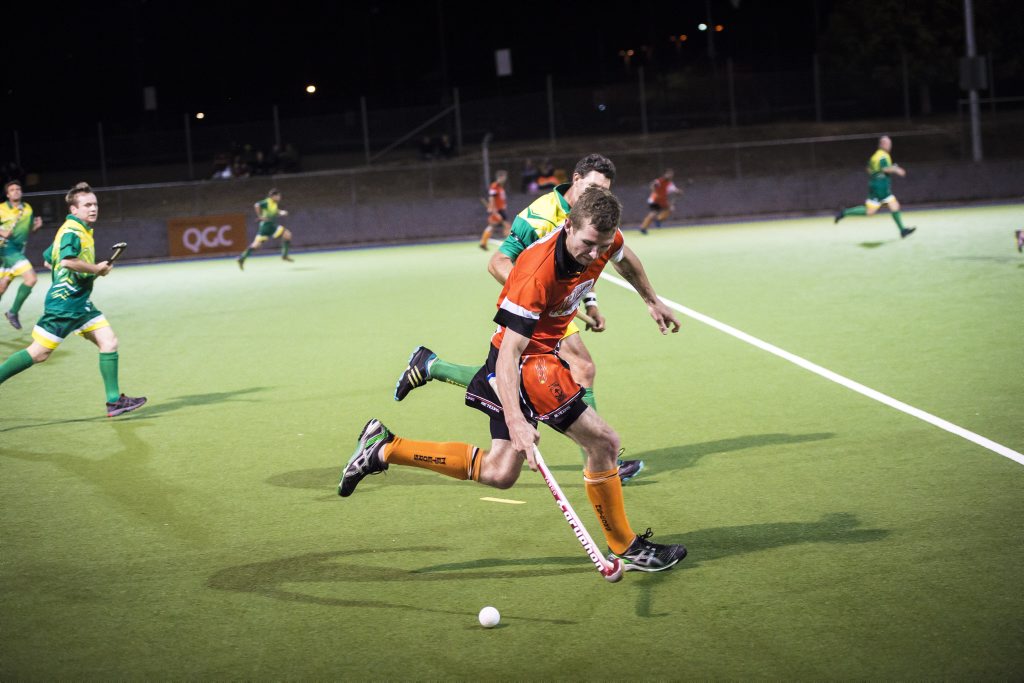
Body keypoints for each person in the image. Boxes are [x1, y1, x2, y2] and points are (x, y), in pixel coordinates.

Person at [340, 186, 687, 573]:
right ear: (568, 225)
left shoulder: (604, 237)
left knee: (499, 473)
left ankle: (385, 447)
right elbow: (509, 355)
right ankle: (626, 545)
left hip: (537, 354)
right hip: (527, 363)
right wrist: (518, 423)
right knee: (604, 442)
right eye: (588, 244)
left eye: (601, 245)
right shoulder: (536, 273)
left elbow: (626, 258)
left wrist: (651, 299)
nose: (594, 254)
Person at [394, 154, 646, 484]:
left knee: (502, 459)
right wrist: (539, 300)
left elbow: (588, 264)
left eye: (606, 190)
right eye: (594, 187)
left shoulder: (593, 216)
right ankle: (598, 454)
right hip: (533, 304)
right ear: (576, 178)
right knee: (576, 367)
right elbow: (498, 263)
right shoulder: (540, 215)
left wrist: (590, 304)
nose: (599, 196)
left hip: (553, 306)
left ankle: (432, 366)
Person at [0, 182, 146, 417]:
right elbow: (67, 261)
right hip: (65, 304)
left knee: (108, 341)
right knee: (39, 353)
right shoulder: (72, 231)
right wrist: (95, 269)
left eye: (95, 204)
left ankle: (113, 402)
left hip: (81, 302)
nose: (93, 208)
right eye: (87, 205)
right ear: (73, 210)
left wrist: (85, 270)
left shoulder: (79, 229)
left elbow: (50, 259)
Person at [834, 135, 916, 238]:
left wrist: (875, 175)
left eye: (890, 143)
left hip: (878, 185)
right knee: (870, 211)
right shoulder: (883, 155)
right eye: (888, 144)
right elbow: (885, 168)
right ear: (883, 144)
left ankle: (902, 230)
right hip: (880, 187)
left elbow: (868, 168)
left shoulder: (874, 156)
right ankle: (844, 212)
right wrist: (897, 169)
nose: (890, 146)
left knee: (894, 205)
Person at [0, 180, 44, 329]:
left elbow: (28, 229)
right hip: (6, 249)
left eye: (18, 189)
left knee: (2, 286)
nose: (16, 191)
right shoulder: (1, 209)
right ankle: (13, 312)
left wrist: (35, 227)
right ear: (7, 194)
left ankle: (12, 312)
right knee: (31, 278)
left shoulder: (28, 209)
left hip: (18, 251)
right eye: (12, 190)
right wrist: (2, 231)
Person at [236, 188, 293, 269]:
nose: (280, 197)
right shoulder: (267, 201)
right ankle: (284, 256)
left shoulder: (273, 203)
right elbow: (257, 205)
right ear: (273, 196)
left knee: (256, 245)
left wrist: (281, 212)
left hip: (266, 226)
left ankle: (242, 258)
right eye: (278, 196)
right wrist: (260, 216)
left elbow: (275, 211)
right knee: (287, 234)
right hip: (269, 225)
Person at [640, 169, 681, 235]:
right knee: (653, 214)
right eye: (668, 174)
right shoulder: (660, 180)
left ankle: (658, 219)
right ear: (665, 174)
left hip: (662, 201)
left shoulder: (670, 184)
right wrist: (654, 190)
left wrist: (679, 192)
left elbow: (675, 190)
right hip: (654, 200)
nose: (669, 176)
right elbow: (653, 185)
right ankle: (643, 227)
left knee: (670, 208)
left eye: (671, 175)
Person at [478, 170, 510, 250]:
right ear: (500, 177)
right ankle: (509, 245)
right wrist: (494, 211)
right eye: (504, 177)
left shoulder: (500, 187)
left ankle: (483, 242)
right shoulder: (494, 186)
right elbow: (491, 198)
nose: (505, 179)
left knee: (493, 226)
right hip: (498, 210)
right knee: (507, 226)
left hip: (501, 210)